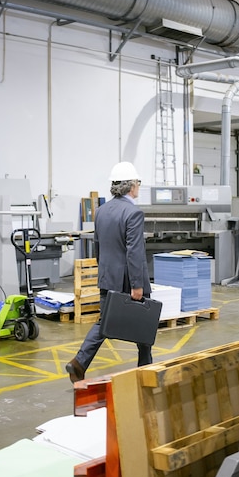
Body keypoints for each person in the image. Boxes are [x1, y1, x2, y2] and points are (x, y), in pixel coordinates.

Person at [66, 161, 152, 383]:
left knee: (104, 323)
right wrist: (137, 285)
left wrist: (104, 272)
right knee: (145, 323)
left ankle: (79, 363)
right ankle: (145, 368)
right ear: (131, 186)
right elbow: (134, 252)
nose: (139, 187)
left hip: (107, 277)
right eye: (138, 183)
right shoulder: (134, 213)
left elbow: (98, 247)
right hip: (128, 280)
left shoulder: (101, 211)